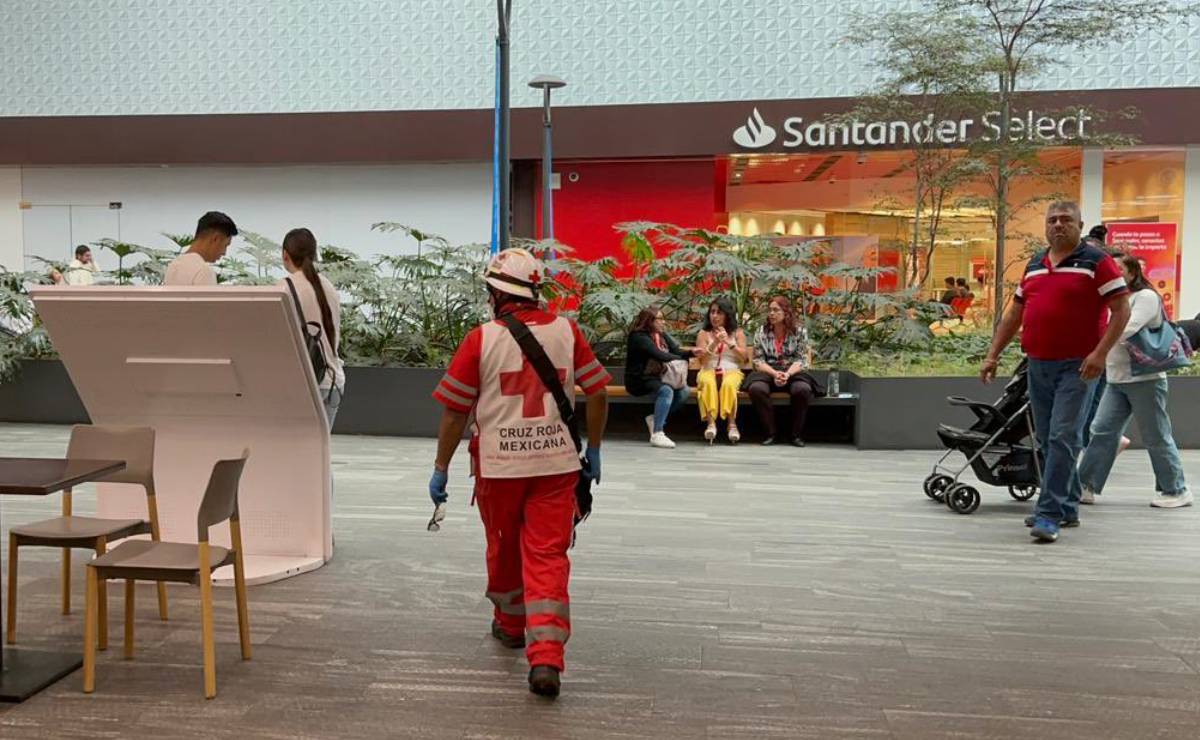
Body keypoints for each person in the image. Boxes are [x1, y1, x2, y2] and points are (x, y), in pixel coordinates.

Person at [428, 248, 609, 699]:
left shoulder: (481, 338)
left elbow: (455, 411)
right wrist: (597, 448)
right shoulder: (567, 332)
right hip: (557, 466)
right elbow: (599, 389)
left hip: (499, 468)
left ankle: (510, 624)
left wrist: (440, 468)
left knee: (504, 546)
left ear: (495, 292)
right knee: (548, 554)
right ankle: (546, 656)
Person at [981, 201, 1131, 543]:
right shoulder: (1035, 263)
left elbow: (1121, 310)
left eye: (1066, 220)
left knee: (1064, 437)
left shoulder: (1097, 262)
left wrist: (1099, 354)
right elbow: (1013, 315)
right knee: (1050, 438)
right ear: (1045, 226)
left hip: (1078, 366)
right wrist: (992, 355)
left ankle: (1048, 514)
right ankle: (1067, 507)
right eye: (1052, 220)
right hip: (1038, 364)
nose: (1058, 225)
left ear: (1080, 224)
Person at [1078, 253, 1191, 508]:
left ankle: (1176, 490)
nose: (1115, 273)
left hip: (1145, 378)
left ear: (1132, 273)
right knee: (1102, 431)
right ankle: (1085, 486)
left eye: (1120, 269)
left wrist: (1095, 341)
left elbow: (1127, 327)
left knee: (1156, 435)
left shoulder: (1145, 297)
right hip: (1117, 377)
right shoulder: (1111, 298)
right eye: (1111, 268)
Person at [277, 228, 345, 427]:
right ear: (314, 254)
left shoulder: (283, 287)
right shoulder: (328, 286)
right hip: (332, 381)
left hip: (301, 384)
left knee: (295, 454)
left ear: (285, 254)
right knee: (320, 453)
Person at [745, 296, 820, 447]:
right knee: (756, 388)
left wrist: (787, 374)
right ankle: (770, 433)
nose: (771, 314)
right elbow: (758, 360)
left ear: (786, 313)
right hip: (769, 370)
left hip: (792, 371)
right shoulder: (762, 331)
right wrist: (774, 373)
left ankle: (795, 435)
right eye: (770, 310)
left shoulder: (799, 331)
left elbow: (802, 359)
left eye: (776, 310)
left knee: (802, 389)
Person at [624, 306, 694, 449]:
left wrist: (692, 353)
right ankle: (657, 433)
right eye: (660, 319)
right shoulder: (639, 337)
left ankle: (655, 419)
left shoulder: (660, 334)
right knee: (666, 391)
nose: (663, 322)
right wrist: (680, 359)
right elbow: (660, 355)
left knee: (684, 391)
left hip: (658, 376)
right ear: (649, 321)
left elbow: (676, 350)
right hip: (639, 379)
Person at [695, 298, 749, 444]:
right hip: (708, 369)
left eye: (719, 312)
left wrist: (730, 343)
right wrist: (714, 343)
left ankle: (732, 425)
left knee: (728, 385)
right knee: (707, 382)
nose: (714, 316)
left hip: (731, 370)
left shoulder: (738, 333)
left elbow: (745, 358)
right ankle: (711, 424)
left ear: (727, 315)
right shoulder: (703, 333)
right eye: (712, 312)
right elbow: (702, 361)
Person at [164, 211, 238, 286]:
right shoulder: (203, 271)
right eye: (225, 245)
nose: (224, 253)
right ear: (216, 239)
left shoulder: (173, 266)